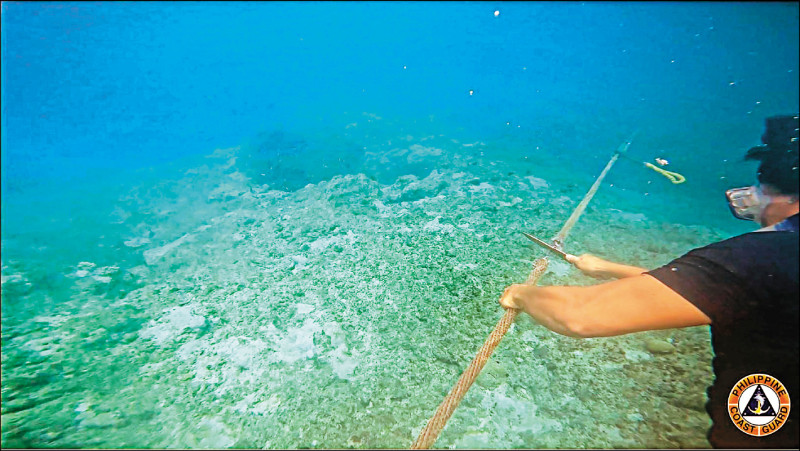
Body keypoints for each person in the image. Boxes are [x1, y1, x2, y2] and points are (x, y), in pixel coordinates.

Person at [499, 115, 799, 449]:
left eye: (762, 181)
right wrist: (607, 267)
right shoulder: (761, 265)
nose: (752, 193)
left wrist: (521, 294)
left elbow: (580, 315)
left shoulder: (757, 257)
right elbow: (707, 290)